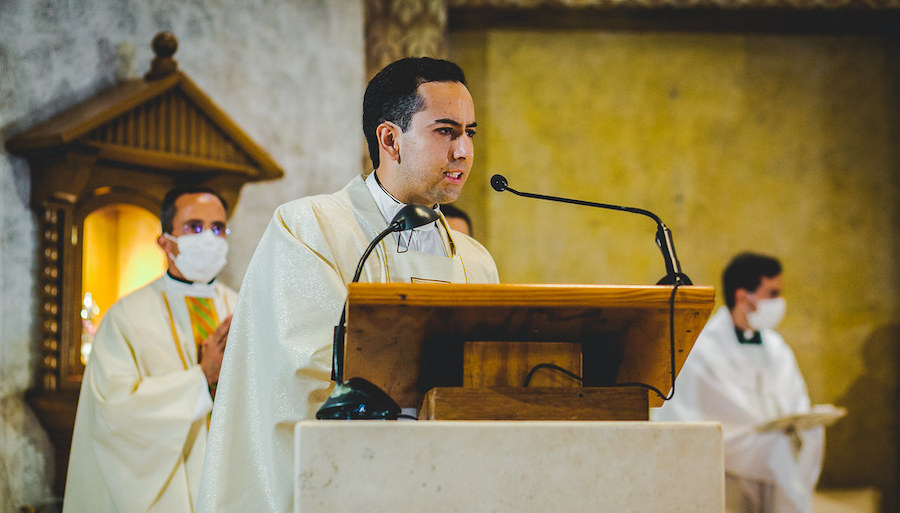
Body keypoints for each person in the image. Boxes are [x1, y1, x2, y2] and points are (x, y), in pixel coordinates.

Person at [197, 57, 499, 513]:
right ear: (390, 139)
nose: (463, 151)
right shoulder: (308, 228)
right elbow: (304, 377)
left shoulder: (476, 262)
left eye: (469, 133)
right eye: (446, 131)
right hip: (351, 487)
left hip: (455, 488)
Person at [63, 187, 236, 513]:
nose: (209, 238)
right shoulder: (127, 316)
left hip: (231, 483)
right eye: (194, 227)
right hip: (164, 491)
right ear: (164, 241)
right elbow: (113, 410)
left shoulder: (240, 306)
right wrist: (201, 379)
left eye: (218, 228)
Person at [652, 252, 824, 513]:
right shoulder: (702, 347)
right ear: (743, 297)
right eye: (773, 294)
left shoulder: (776, 347)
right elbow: (695, 414)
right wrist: (762, 436)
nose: (780, 302)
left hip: (772, 454)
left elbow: (795, 400)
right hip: (725, 465)